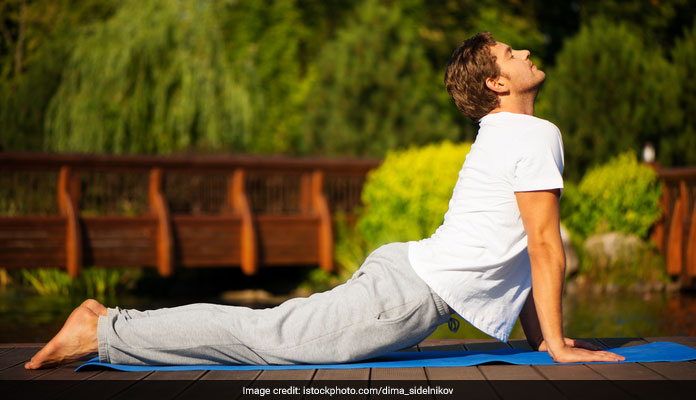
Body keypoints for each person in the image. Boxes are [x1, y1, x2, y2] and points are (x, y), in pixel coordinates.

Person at [25, 32, 625, 370]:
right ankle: (105, 330)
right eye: (510, 54)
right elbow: (543, 246)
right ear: (497, 84)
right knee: (269, 340)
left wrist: (544, 341)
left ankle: (107, 326)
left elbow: (520, 249)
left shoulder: (508, 133)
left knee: (272, 330)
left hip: (407, 280)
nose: (523, 52)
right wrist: (561, 349)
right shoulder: (532, 133)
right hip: (407, 294)